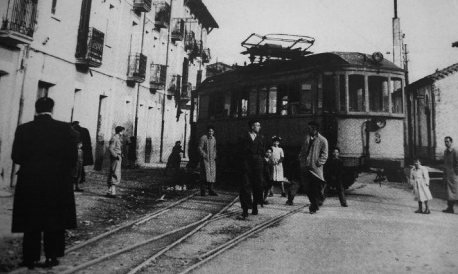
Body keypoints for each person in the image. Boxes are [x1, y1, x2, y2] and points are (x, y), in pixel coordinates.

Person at [11, 97, 78, 269]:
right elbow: (72, 159)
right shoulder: (65, 129)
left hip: (30, 181)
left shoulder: (24, 129)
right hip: (57, 182)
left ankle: (30, 258)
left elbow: (16, 156)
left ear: (36, 109)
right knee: (55, 219)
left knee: (31, 219)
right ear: (52, 109)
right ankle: (51, 257)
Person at [287, 121, 328, 214]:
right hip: (305, 167)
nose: (307, 130)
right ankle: (315, 203)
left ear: (315, 129)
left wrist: (318, 163)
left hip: (315, 169)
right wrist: (301, 160)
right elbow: (302, 150)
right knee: (307, 188)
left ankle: (314, 206)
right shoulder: (306, 138)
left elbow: (325, 154)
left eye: (309, 128)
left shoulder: (323, 140)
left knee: (315, 187)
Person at [237, 120, 265, 219]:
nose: (259, 127)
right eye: (258, 125)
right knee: (245, 186)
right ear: (252, 127)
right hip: (246, 165)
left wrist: (261, 162)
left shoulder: (261, 138)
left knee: (258, 185)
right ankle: (245, 209)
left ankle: (255, 206)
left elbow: (263, 152)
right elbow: (239, 152)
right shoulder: (243, 138)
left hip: (257, 165)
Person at [198, 125, 218, 196]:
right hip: (205, 160)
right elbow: (200, 148)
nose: (210, 132)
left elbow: (215, 148)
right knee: (205, 175)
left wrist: (215, 155)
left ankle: (211, 190)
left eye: (212, 131)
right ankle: (203, 191)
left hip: (212, 160)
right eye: (209, 131)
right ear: (207, 131)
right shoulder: (203, 138)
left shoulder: (213, 139)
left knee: (212, 175)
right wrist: (204, 155)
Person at [107, 126, 125, 198]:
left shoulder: (117, 138)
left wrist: (120, 154)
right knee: (115, 174)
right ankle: (113, 193)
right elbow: (111, 148)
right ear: (120, 132)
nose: (123, 133)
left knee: (112, 173)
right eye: (123, 131)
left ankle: (109, 191)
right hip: (116, 158)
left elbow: (116, 148)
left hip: (117, 157)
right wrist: (116, 156)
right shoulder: (115, 138)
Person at [442, 136, 458, 213]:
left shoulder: (455, 151)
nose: (446, 143)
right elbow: (444, 163)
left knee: (456, 192)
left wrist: (456, 172)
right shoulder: (445, 152)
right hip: (448, 175)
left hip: (454, 176)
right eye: (445, 141)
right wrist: (444, 173)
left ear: (451, 142)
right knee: (449, 193)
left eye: (448, 141)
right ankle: (450, 208)